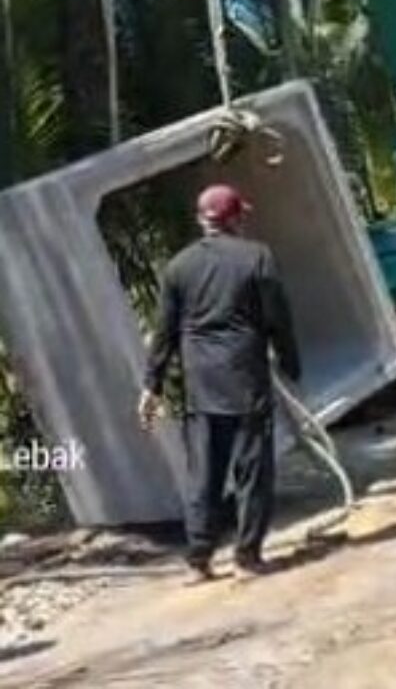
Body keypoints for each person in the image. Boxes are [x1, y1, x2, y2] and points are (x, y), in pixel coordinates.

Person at [138, 183, 302, 584]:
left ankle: (199, 560)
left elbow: (164, 332)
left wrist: (151, 386)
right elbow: (277, 316)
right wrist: (290, 363)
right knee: (252, 471)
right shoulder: (256, 256)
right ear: (235, 219)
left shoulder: (178, 267)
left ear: (201, 220)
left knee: (204, 475)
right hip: (245, 377)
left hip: (201, 383)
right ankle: (247, 556)